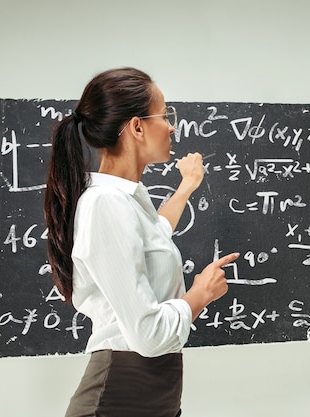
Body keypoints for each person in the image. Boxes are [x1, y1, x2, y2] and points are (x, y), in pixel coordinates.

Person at [44, 67, 239, 417]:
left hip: (154, 399)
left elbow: (157, 233)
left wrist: (187, 187)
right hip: (118, 400)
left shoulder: (127, 200)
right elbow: (148, 335)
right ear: (136, 127)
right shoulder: (106, 204)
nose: (172, 126)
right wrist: (200, 294)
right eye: (165, 116)